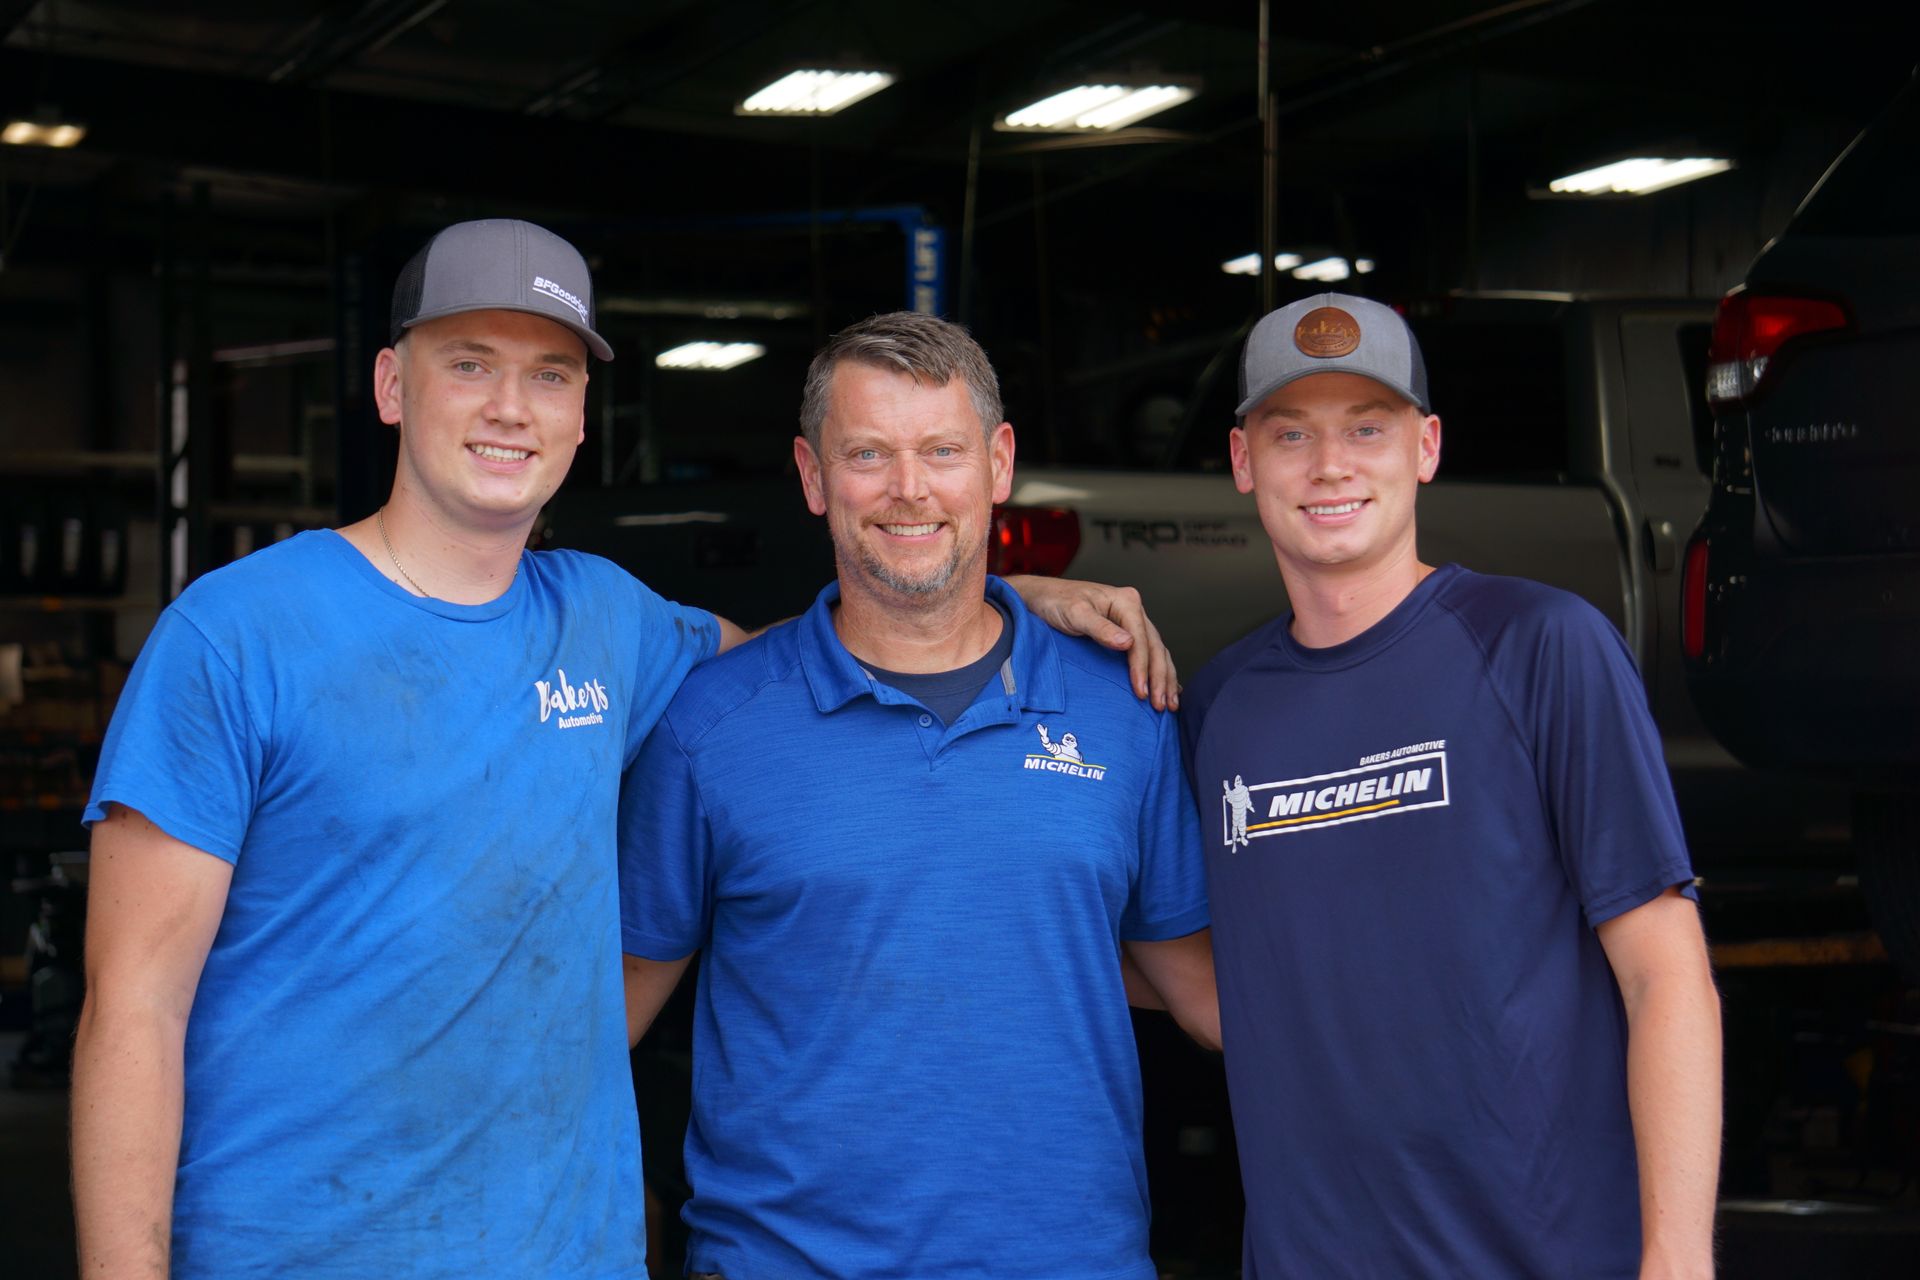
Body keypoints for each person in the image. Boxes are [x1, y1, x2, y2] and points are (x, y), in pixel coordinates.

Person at [68, 220, 1176, 1278]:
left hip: (562, 1253)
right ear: (391, 387)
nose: (511, 406)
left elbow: (833, 654)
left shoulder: (611, 622)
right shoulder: (235, 635)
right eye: (469, 363)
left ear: (584, 410)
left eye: (549, 373)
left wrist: (998, 593)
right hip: (302, 1250)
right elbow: (133, 1009)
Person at [618, 311, 1218, 1280]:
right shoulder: (710, 726)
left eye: (942, 450)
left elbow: (1206, 990)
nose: (909, 488)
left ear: (998, 462)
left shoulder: (1126, 709)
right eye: (868, 453)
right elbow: (608, 1017)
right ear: (814, 477)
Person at [1180, 293, 1722, 1279]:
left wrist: (1677, 1255)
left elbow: (1664, 967)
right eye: (1291, 431)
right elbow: (1211, 978)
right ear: (1242, 460)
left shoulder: (1540, 646)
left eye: (1368, 427)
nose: (1331, 463)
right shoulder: (1220, 707)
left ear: (1426, 446)